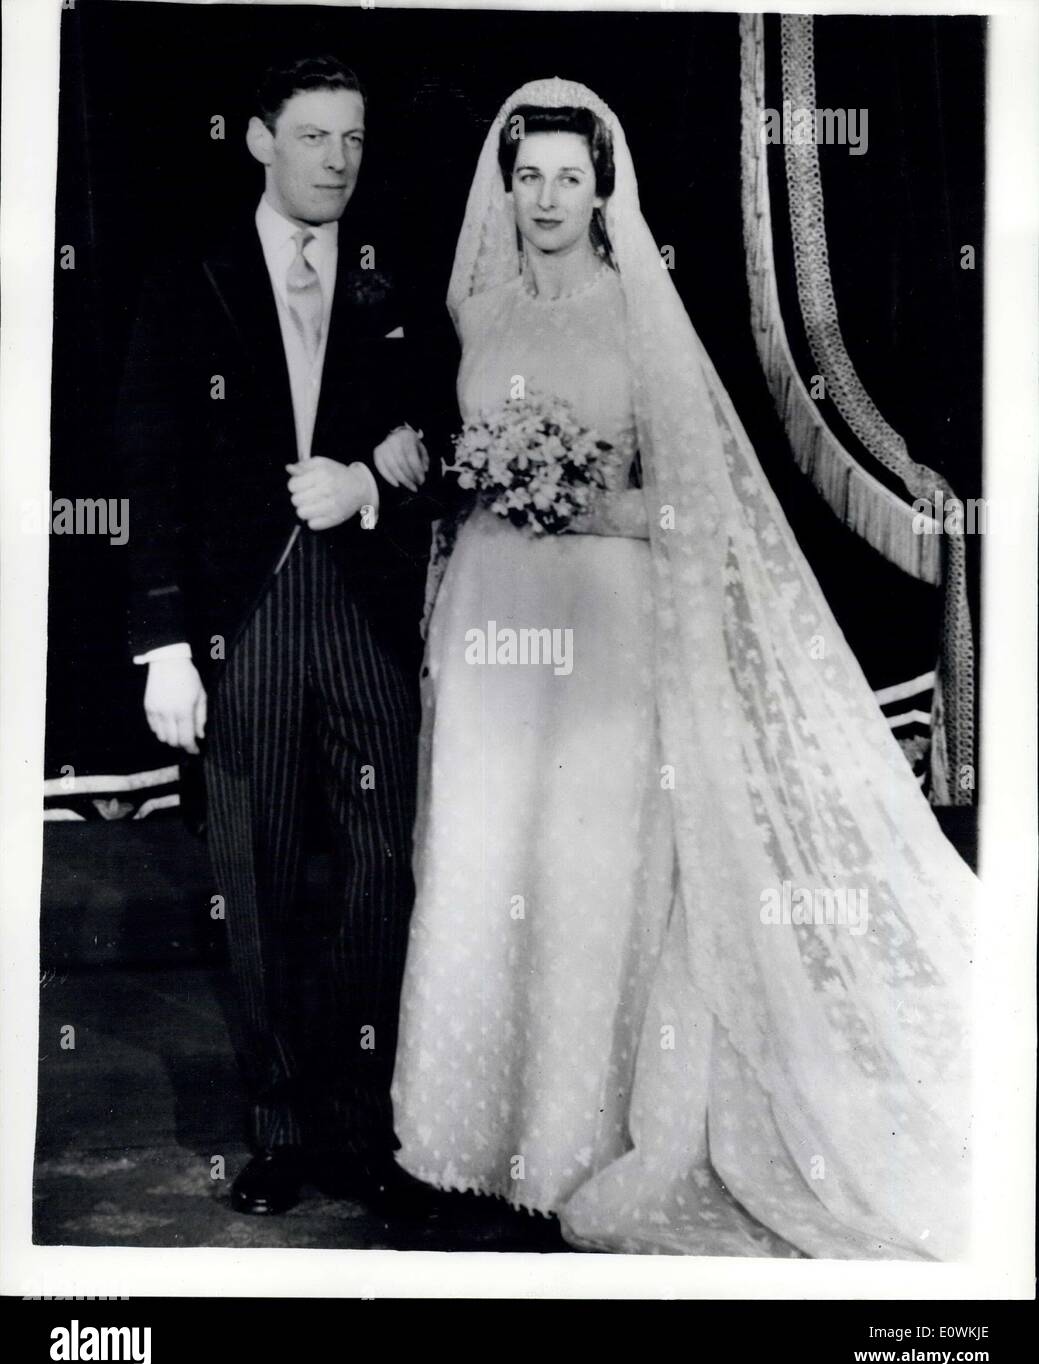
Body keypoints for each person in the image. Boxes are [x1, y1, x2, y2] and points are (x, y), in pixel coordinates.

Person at [386, 78, 975, 1258]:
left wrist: (594, 502)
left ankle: (561, 1149)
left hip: (602, 638)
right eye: (531, 175)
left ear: (605, 191)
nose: (548, 197)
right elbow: (454, 468)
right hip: (492, 620)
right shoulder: (479, 310)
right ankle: (448, 1145)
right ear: (505, 187)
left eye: (570, 176)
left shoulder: (633, 316)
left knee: (581, 876)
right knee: (477, 858)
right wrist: (455, 475)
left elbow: (695, 507)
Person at [120, 55, 443, 1216]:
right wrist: (161, 643)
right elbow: (146, 468)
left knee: (382, 868)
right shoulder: (187, 276)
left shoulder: (391, 271)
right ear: (260, 142)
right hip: (237, 621)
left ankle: (363, 1131)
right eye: (313, 138)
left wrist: (363, 480)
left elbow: (442, 430)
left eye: (352, 139)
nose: (338, 161)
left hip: (359, 609)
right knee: (248, 875)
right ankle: (278, 1131)